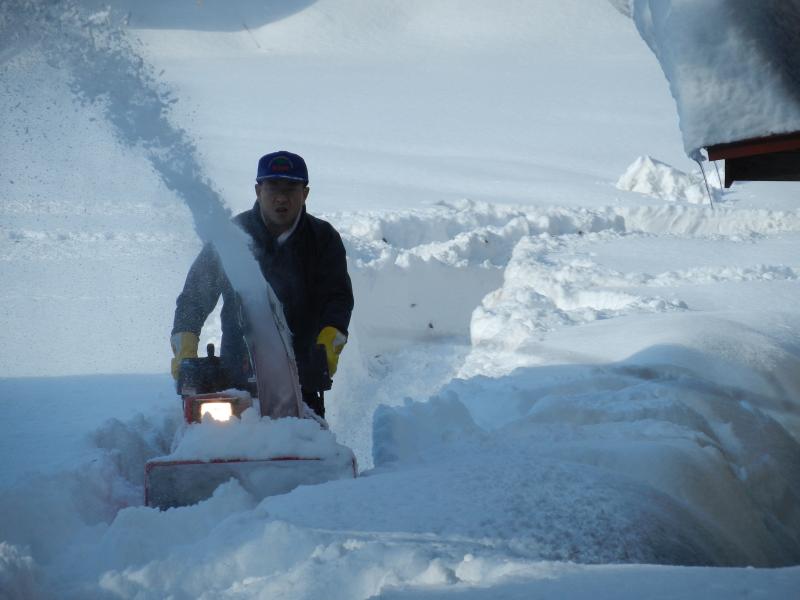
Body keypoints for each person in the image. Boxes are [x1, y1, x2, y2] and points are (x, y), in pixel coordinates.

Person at [170, 150, 354, 418]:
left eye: (291, 187)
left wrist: (324, 353)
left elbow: (337, 301)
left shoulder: (322, 239)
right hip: (235, 376)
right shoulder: (230, 236)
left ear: (305, 193)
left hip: (300, 378)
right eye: (273, 187)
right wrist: (185, 353)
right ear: (258, 190)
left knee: (305, 443)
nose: (281, 197)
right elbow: (194, 298)